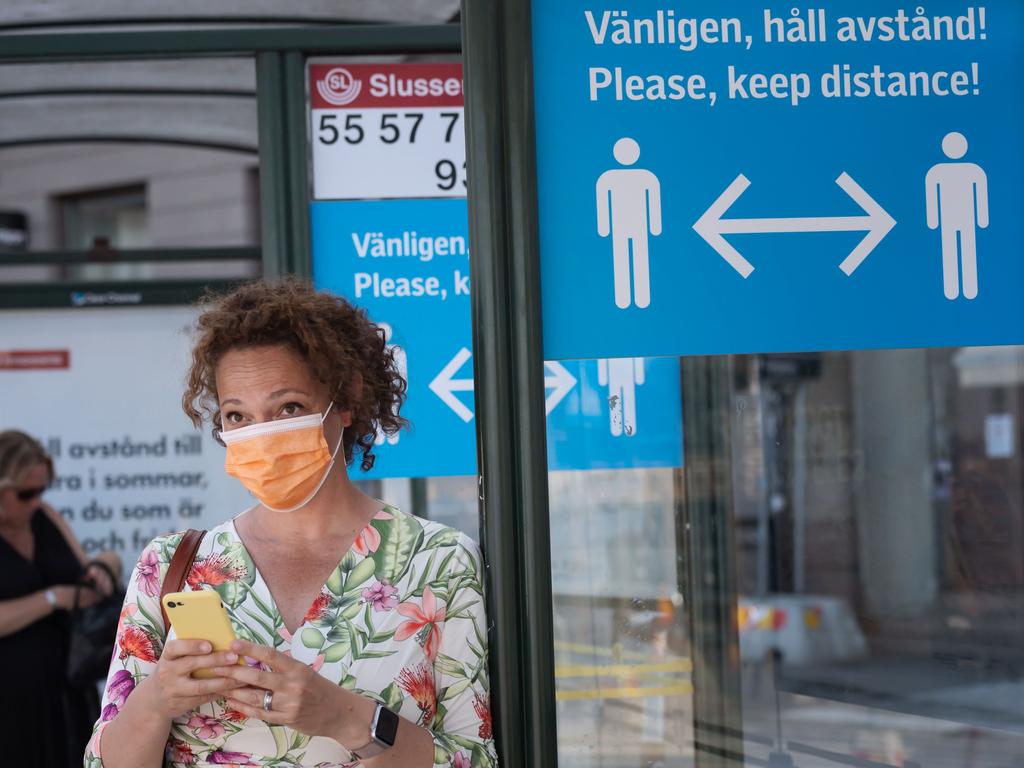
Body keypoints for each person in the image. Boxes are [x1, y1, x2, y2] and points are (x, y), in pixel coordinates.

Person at [87, 279, 496, 767]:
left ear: (346, 401)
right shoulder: (171, 565)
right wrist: (157, 699)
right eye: (238, 416)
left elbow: (474, 758)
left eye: (289, 408)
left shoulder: (439, 561)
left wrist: (343, 716)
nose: (261, 434)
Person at [0, 430, 121, 768]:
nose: (36, 500)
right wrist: (53, 598)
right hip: (10, 699)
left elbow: (89, 566)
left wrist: (103, 567)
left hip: (66, 688)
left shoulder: (46, 516)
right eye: (26, 493)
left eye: (42, 489)